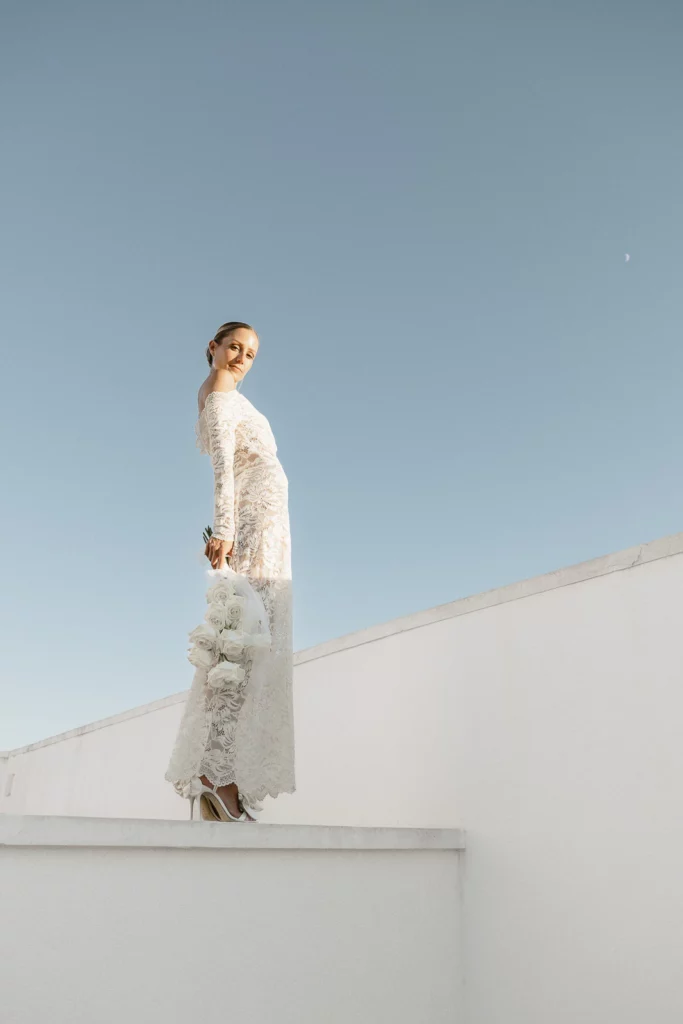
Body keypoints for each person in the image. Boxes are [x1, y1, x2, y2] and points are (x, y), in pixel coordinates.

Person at [165, 322, 295, 821]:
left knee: (252, 643)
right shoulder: (220, 395)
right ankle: (218, 778)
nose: (241, 357)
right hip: (253, 524)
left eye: (251, 353)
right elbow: (224, 465)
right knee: (245, 643)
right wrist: (224, 530)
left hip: (267, 524)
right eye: (234, 347)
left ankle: (227, 774)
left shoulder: (219, 393)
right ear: (212, 348)